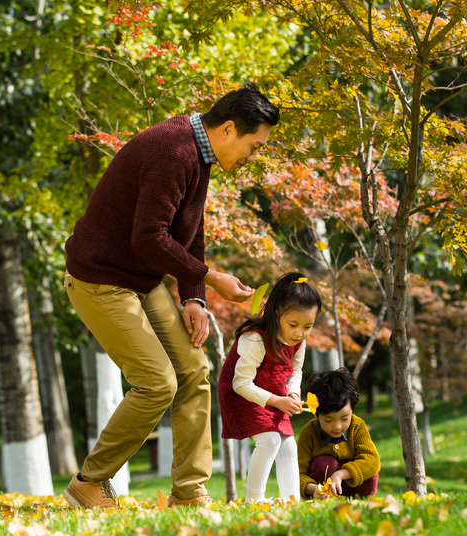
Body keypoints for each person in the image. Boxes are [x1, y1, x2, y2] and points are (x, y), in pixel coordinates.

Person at [62, 85, 280, 510]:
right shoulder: (174, 151)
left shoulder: (199, 153)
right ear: (229, 129)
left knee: (194, 371)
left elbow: (188, 231)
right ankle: (89, 482)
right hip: (100, 278)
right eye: (254, 147)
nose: (253, 157)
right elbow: (148, 238)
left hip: (140, 281)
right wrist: (212, 279)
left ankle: (189, 493)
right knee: (156, 382)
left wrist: (194, 297)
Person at [218, 272, 322, 503]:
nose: (300, 333)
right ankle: (254, 501)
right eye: (293, 324)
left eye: (308, 326)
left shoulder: (299, 342)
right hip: (242, 393)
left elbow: (295, 372)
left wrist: (293, 393)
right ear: (276, 314)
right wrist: (277, 400)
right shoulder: (255, 339)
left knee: (288, 445)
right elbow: (240, 383)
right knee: (270, 440)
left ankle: (292, 501)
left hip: (274, 393)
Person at [297, 368, 380, 499]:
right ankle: (328, 499)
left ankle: (358, 501)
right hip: (324, 492)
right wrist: (314, 489)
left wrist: (341, 474)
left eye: (345, 418)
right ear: (316, 414)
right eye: (328, 420)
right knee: (324, 464)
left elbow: (372, 461)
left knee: (369, 470)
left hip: (355, 489)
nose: (337, 426)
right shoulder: (309, 433)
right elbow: (298, 474)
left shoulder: (357, 426)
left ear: (352, 411)